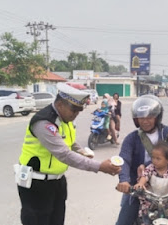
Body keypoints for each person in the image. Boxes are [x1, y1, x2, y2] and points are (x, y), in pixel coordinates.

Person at [16, 82, 121, 225]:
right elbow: (64, 153)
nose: (76, 115)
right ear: (60, 104)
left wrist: (81, 151)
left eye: (78, 111)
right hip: (37, 184)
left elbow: (69, 142)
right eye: (74, 111)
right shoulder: (44, 122)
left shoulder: (65, 119)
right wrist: (99, 166)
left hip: (57, 182)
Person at [115, 95, 168, 225]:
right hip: (138, 187)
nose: (145, 121)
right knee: (122, 222)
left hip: (165, 187)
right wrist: (124, 180)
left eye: (149, 117)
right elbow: (124, 159)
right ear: (136, 119)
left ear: (157, 117)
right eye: (141, 118)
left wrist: (145, 166)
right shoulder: (131, 138)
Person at [134, 141, 168, 225]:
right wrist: (141, 183)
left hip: (165, 200)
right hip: (150, 199)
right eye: (153, 157)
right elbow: (145, 175)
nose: (154, 161)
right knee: (145, 217)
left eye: (158, 158)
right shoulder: (151, 168)